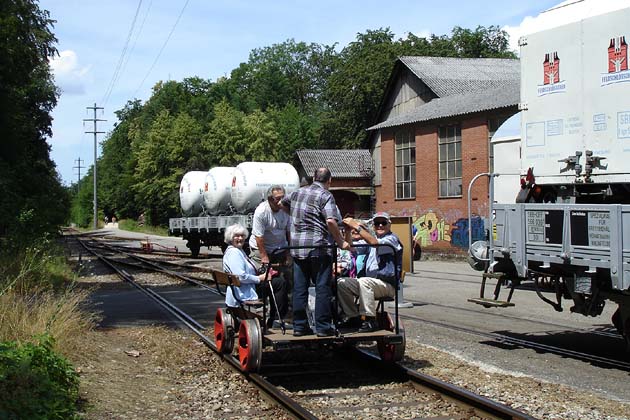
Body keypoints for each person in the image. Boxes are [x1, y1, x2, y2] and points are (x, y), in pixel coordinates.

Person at [281, 167, 350, 337]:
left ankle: (299, 326)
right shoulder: (325, 195)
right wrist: (341, 242)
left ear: (313, 177)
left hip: (297, 248)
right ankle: (323, 327)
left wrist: (296, 216)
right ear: (329, 181)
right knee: (322, 288)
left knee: (300, 288)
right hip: (318, 247)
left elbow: (282, 203)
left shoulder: (298, 193)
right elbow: (331, 222)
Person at [338, 212, 402, 332]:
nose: (380, 226)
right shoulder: (372, 240)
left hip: (386, 284)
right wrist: (347, 231)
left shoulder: (391, 239)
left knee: (364, 281)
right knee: (341, 283)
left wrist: (356, 226)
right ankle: (353, 317)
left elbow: (374, 243)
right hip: (369, 284)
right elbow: (350, 247)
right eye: (377, 223)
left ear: (389, 225)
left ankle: (370, 319)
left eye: (383, 223)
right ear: (373, 225)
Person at [222, 224, 288, 323]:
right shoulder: (234, 253)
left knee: (276, 281)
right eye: (236, 236)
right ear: (230, 238)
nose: (240, 238)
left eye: (242, 236)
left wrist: (260, 271)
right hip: (243, 290)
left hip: (242, 287)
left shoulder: (237, 250)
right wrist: (259, 278)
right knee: (279, 283)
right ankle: (276, 319)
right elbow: (241, 276)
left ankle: (275, 318)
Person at [248, 185, 291, 327]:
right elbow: (259, 237)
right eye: (278, 199)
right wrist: (264, 257)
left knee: (284, 282)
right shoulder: (262, 211)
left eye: (283, 198)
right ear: (270, 199)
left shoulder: (286, 210)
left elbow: (289, 232)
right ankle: (264, 312)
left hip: (279, 249)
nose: (281, 202)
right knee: (269, 282)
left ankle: (279, 315)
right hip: (261, 249)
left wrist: (288, 253)